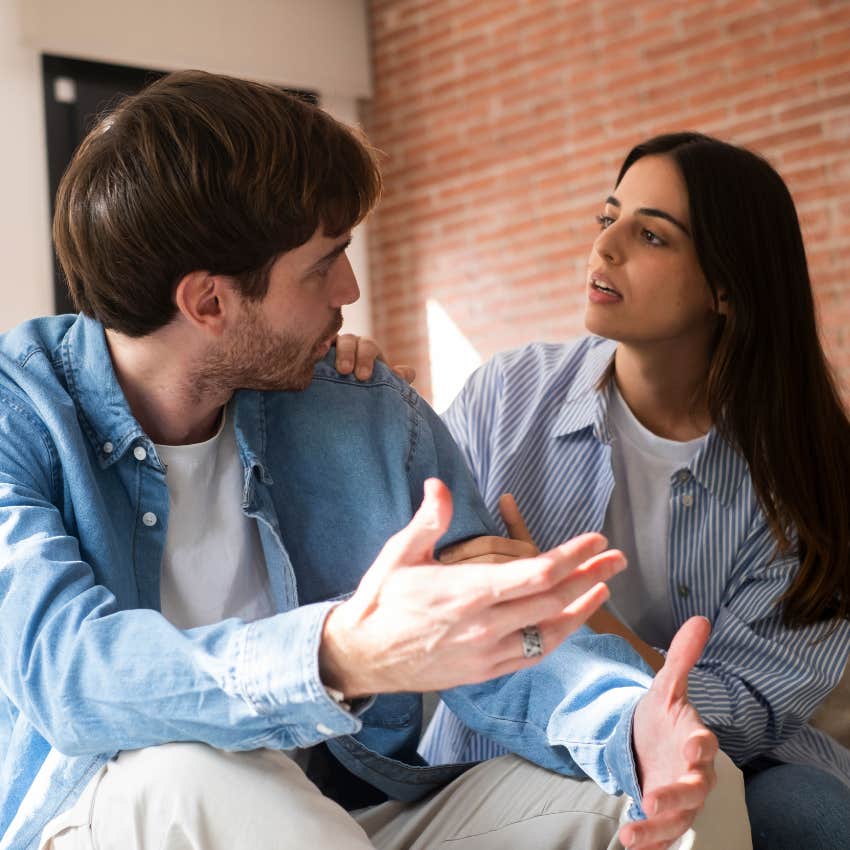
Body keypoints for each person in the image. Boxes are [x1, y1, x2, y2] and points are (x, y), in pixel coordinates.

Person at [0, 73, 743, 850]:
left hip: (344, 817)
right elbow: (68, 672)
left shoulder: (354, 402)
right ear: (209, 304)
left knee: (693, 796)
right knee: (200, 775)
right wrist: (340, 654)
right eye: (324, 264)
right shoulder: (19, 413)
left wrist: (629, 725)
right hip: (109, 812)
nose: (350, 290)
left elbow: (492, 640)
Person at [338, 131, 850, 849]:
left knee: (819, 820)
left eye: (650, 235)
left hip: (736, 761)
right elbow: (391, 572)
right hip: (510, 749)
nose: (604, 248)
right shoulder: (509, 394)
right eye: (608, 217)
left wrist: (572, 617)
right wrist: (353, 400)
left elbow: (746, 713)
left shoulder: (806, 476)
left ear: (727, 287)